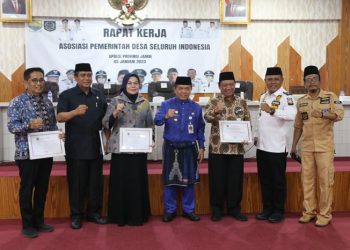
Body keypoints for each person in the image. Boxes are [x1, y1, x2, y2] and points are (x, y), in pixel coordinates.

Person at [7, 67, 59, 238]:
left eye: (41, 80)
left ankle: (39, 220)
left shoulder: (47, 102)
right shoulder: (17, 102)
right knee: (27, 189)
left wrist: (58, 134)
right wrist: (28, 126)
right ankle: (27, 224)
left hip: (45, 152)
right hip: (26, 153)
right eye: (34, 80)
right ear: (26, 83)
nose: (38, 83)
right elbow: (12, 126)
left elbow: (52, 126)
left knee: (42, 188)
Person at [291, 65, 344, 227]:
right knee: (307, 181)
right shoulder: (301, 102)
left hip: (324, 148)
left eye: (315, 79)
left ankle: (325, 214)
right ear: (304, 83)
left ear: (320, 81)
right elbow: (298, 126)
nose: (312, 82)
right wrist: (293, 147)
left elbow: (339, 115)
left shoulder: (330, 96)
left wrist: (323, 114)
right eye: (308, 80)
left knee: (325, 182)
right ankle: (308, 212)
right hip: (306, 148)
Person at [57, 63, 108, 229]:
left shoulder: (99, 95)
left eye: (89, 75)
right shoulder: (67, 95)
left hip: (95, 146)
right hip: (76, 147)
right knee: (77, 183)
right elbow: (60, 117)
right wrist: (75, 112)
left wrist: (106, 141)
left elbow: (105, 121)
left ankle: (94, 213)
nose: (87, 78)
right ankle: (76, 215)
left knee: (95, 183)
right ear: (76, 77)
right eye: (83, 75)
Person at [102, 73, 153, 226]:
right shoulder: (116, 101)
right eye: (129, 83)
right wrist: (115, 112)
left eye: (135, 83)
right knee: (121, 183)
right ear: (124, 85)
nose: (132, 85)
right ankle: (120, 217)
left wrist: (152, 140)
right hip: (121, 150)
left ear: (139, 85)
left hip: (139, 149)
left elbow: (150, 125)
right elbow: (105, 123)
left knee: (137, 183)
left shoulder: (145, 103)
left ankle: (138, 216)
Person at [154, 76, 205, 222]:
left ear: (191, 90)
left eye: (187, 89)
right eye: (180, 88)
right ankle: (170, 210)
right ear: (175, 89)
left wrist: (201, 146)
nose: (184, 91)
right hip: (171, 148)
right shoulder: (166, 104)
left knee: (189, 181)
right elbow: (156, 121)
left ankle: (188, 210)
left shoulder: (196, 107)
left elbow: (200, 129)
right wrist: (165, 115)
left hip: (190, 148)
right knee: (169, 181)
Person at [204, 71, 250, 222]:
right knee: (217, 180)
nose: (228, 87)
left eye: (231, 84)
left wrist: (247, 136)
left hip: (236, 149)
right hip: (217, 148)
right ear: (219, 86)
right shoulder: (214, 101)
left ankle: (234, 209)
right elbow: (207, 118)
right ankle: (217, 209)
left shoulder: (242, 102)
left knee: (235, 181)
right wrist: (216, 110)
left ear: (234, 85)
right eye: (225, 85)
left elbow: (247, 122)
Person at [255, 67, 296, 223]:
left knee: (278, 181)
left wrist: (273, 110)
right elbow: (260, 119)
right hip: (262, 147)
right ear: (265, 81)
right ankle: (267, 209)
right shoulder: (263, 96)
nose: (272, 82)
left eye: (275, 79)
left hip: (277, 148)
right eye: (269, 79)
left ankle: (278, 210)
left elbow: (292, 115)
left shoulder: (287, 97)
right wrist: (256, 136)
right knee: (265, 180)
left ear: (281, 80)